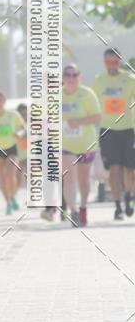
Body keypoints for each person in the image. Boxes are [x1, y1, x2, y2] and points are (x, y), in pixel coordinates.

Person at [92, 48, 135, 220]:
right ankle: (117, 207)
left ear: (120, 61)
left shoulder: (130, 79)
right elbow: (92, 104)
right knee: (114, 170)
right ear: (104, 63)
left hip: (127, 130)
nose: (112, 65)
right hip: (108, 131)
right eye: (109, 62)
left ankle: (129, 199)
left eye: (115, 61)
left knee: (130, 170)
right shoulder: (98, 81)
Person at [59, 63, 101, 226]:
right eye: (67, 75)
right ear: (63, 78)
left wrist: (79, 122)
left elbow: (97, 117)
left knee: (84, 181)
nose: (71, 78)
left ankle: (83, 206)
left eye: (74, 75)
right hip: (65, 145)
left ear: (79, 77)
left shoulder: (87, 94)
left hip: (86, 144)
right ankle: (73, 210)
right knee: (69, 178)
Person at [0, 89, 23, 214]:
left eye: (1, 100)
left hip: (11, 148)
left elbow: (22, 128)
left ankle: (13, 196)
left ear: (4, 100)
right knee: (2, 179)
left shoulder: (13, 115)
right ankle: (8, 203)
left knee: (10, 175)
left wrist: (19, 134)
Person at [15, 103, 29, 194]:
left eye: (25, 114)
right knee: (17, 177)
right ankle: (13, 196)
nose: (24, 116)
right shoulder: (16, 124)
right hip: (18, 154)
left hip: (30, 154)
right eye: (22, 114)